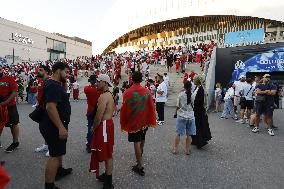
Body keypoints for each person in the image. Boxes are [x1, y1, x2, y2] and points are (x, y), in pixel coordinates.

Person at [39, 62, 72, 189]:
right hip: (54, 125)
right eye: (66, 72)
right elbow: (50, 107)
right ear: (58, 71)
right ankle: (49, 185)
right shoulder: (53, 85)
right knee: (54, 155)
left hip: (51, 124)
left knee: (58, 151)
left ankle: (59, 171)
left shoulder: (52, 83)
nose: (67, 75)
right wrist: (61, 127)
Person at [120, 71, 156, 176]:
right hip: (144, 120)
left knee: (136, 142)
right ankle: (140, 154)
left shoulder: (127, 92)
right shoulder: (146, 91)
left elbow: (125, 109)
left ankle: (140, 165)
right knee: (142, 138)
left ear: (132, 79)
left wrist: (125, 121)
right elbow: (151, 106)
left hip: (134, 121)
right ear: (141, 80)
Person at [89, 74, 115, 189]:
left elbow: (98, 116)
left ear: (105, 82)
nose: (96, 83)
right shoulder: (109, 94)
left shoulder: (103, 96)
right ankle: (107, 176)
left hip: (104, 126)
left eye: (98, 81)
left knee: (107, 154)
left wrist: (93, 128)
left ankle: (108, 183)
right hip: (107, 125)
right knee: (107, 152)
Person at [0, 66, 20, 153]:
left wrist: (5, 102)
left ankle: (15, 142)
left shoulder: (9, 79)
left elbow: (15, 92)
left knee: (14, 124)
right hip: (0, 107)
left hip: (10, 106)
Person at [173, 81, 196, 155]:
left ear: (184, 86)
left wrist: (175, 113)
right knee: (189, 135)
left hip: (182, 116)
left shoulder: (180, 95)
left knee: (178, 134)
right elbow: (194, 106)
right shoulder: (193, 95)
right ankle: (187, 150)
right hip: (190, 116)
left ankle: (175, 149)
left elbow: (177, 106)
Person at [191, 75, 212, 149]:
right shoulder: (198, 88)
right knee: (196, 126)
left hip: (199, 111)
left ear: (198, 81)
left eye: (194, 79)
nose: (193, 80)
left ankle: (200, 142)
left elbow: (199, 101)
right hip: (196, 110)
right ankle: (195, 140)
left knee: (198, 126)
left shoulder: (201, 89)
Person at [34, 65, 51, 157]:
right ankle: (46, 145)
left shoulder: (50, 81)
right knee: (42, 128)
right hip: (41, 108)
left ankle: (52, 148)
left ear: (47, 72)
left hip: (48, 108)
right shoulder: (41, 81)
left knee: (49, 129)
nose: (38, 71)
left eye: (41, 70)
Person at [84, 74, 102, 153]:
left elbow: (87, 88)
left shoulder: (87, 89)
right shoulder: (99, 90)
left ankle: (89, 144)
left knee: (90, 128)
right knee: (98, 128)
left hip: (90, 110)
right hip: (98, 110)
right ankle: (97, 144)